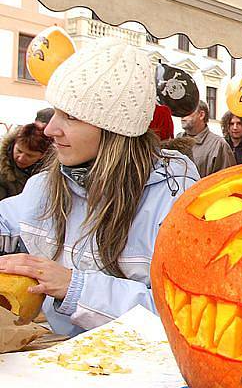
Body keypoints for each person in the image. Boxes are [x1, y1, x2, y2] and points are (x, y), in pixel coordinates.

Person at [0, 38, 199, 336]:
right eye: (55, 112)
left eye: (71, 116)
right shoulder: (48, 185)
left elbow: (185, 314)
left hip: (148, 374)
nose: (51, 129)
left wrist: (73, 286)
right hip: (67, 365)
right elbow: (7, 220)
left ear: (114, 131)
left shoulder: (173, 198)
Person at [178, 100, 235, 177]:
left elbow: (226, 181)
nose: (182, 116)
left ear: (201, 115)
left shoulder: (218, 145)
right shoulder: (177, 140)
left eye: (187, 111)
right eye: (181, 111)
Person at [0, 123, 52, 200]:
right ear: (14, 144)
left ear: (43, 155)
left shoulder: (51, 174)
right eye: (19, 151)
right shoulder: (2, 171)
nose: (21, 158)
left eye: (30, 155)